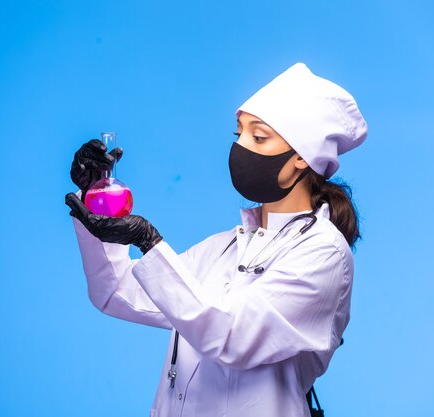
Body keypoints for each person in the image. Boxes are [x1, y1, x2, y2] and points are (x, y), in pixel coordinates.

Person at [64, 62, 368, 417]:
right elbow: (116, 293)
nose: (240, 147)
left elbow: (232, 335)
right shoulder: (226, 247)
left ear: (302, 156)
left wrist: (148, 241)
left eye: (258, 136)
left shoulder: (324, 253)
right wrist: (95, 197)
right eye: (237, 133)